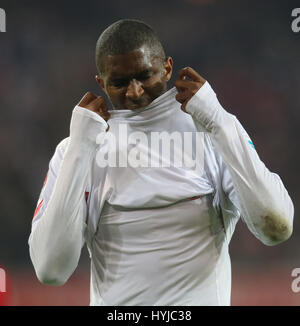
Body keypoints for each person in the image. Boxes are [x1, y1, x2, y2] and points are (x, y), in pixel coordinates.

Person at [28, 19, 294, 306]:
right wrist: (79, 150)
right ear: (100, 82)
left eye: (144, 75)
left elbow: (276, 228)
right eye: (119, 82)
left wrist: (219, 121)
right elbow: (50, 270)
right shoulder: (78, 149)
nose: (134, 92)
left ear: (167, 67)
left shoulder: (211, 133)